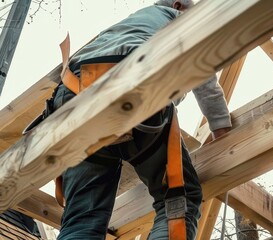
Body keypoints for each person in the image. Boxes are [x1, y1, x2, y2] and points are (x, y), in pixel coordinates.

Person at [43, 1, 232, 239]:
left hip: (71, 99)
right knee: (177, 199)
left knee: (82, 218)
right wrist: (221, 131)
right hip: (132, 83)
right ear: (178, 5)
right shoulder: (177, 18)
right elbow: (204, 77)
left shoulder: (125, 27)